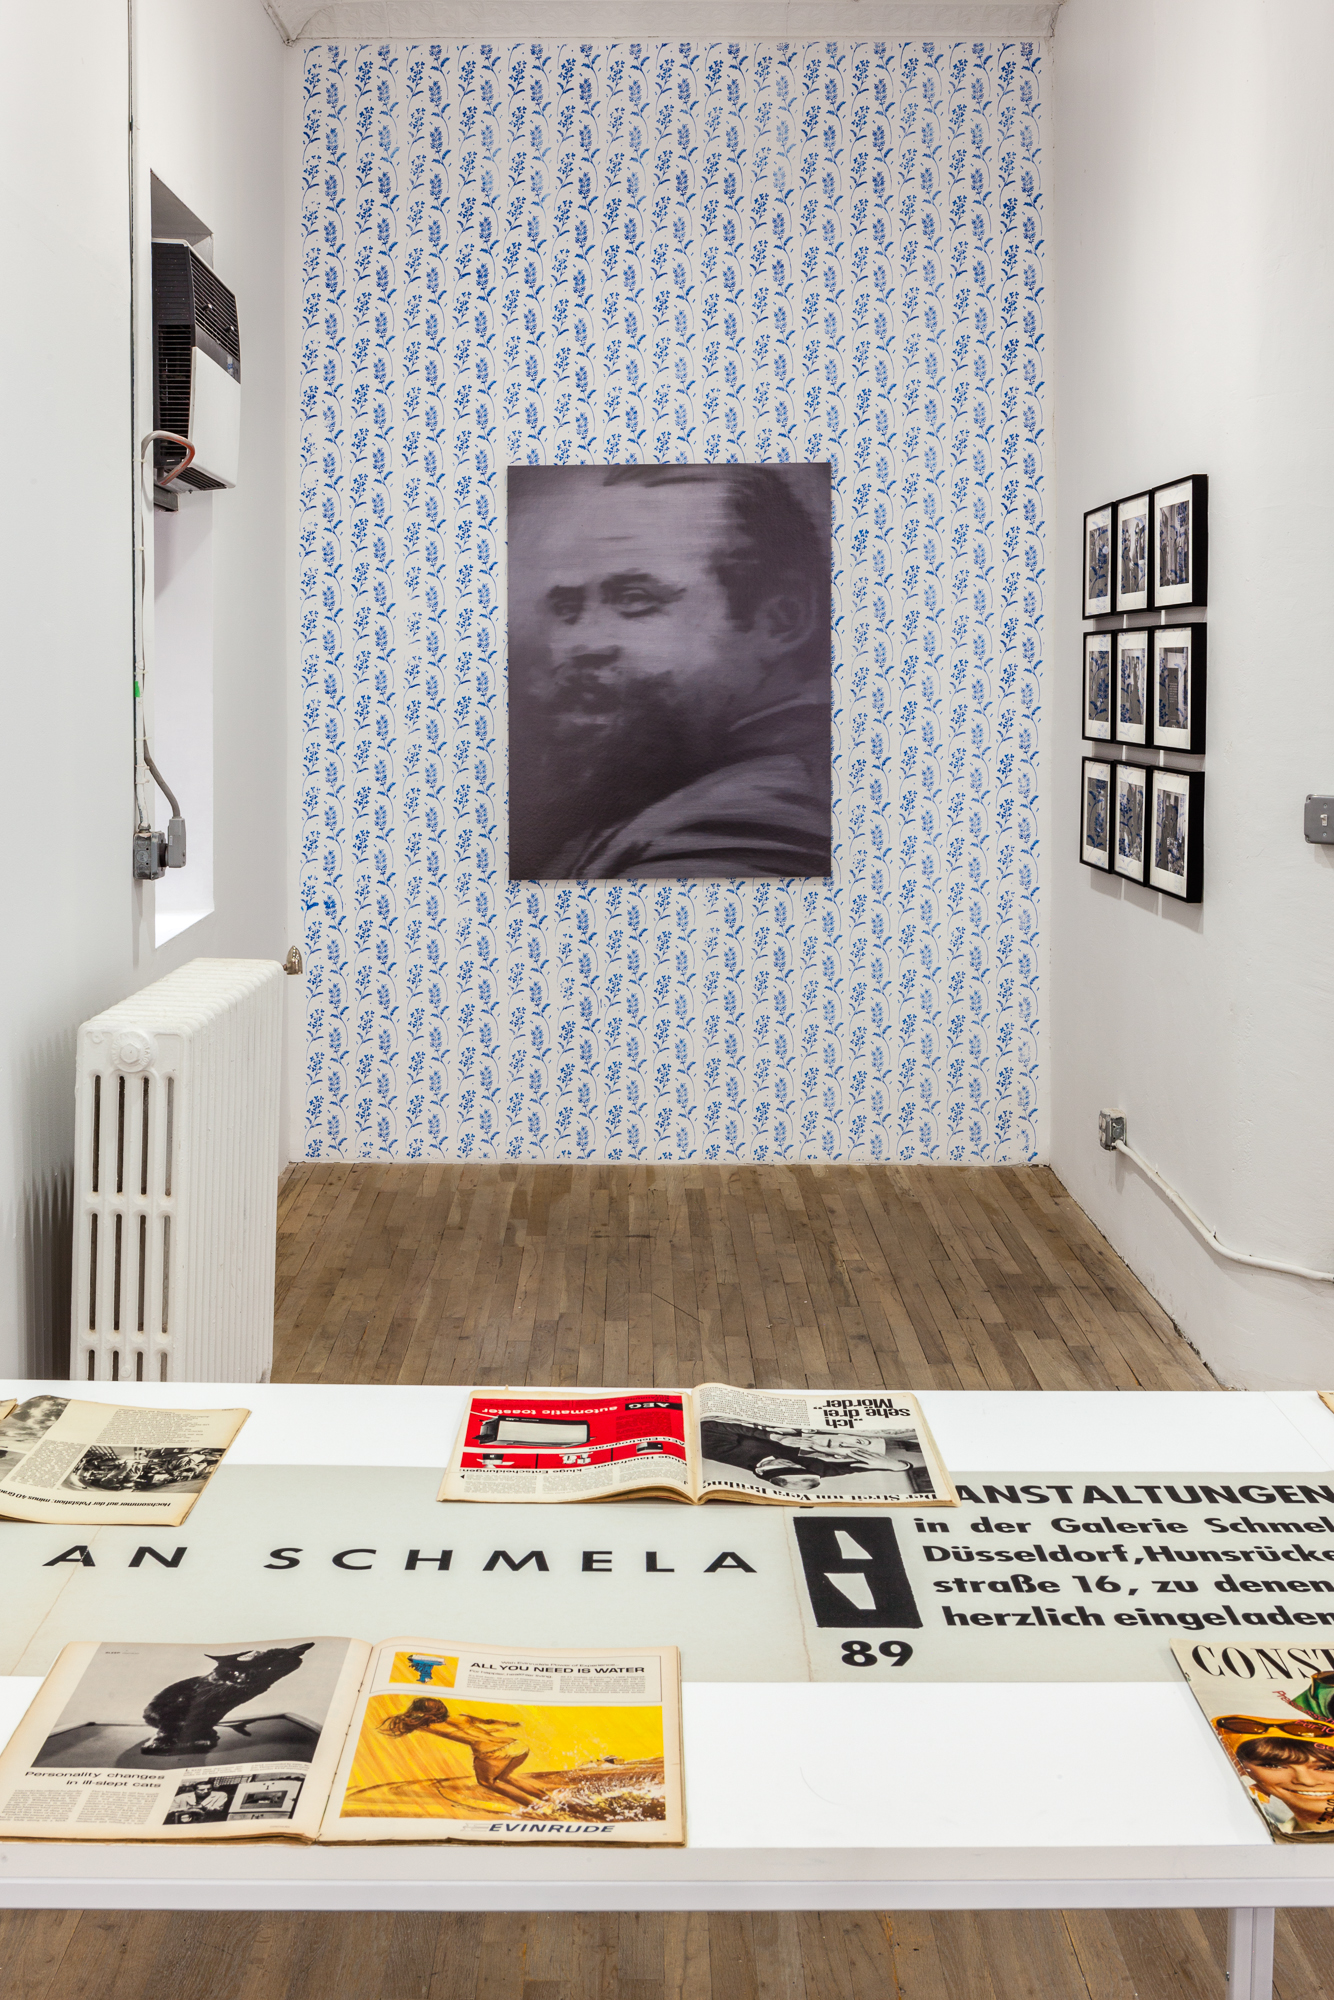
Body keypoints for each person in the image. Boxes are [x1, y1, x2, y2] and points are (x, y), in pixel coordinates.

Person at [509, 462, 831, 879]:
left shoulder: (756, 818)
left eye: (635, 599)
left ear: (781, 619)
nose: (580, 644)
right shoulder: (670, 790)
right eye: (568, 608)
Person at [378, 1697, 549, 1809]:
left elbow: (401, 1720)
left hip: (491, 1752)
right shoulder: (462, 1717)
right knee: (505, 1777)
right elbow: (489, 1722)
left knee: (487, 1782)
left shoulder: (425, 1724)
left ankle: (536, 1806)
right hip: (516, 1745)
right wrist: (510, 1724)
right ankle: (546, 1798)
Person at [698, 1417, 897, 1492]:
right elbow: (849, 1469)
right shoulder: (811, 1471)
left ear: (761, 1471)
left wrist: (773, 1437)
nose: (790, 1462)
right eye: (797, 1467)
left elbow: (710, 1427)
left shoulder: (719, 1452)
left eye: (785, 1467)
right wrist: (897, 1467)